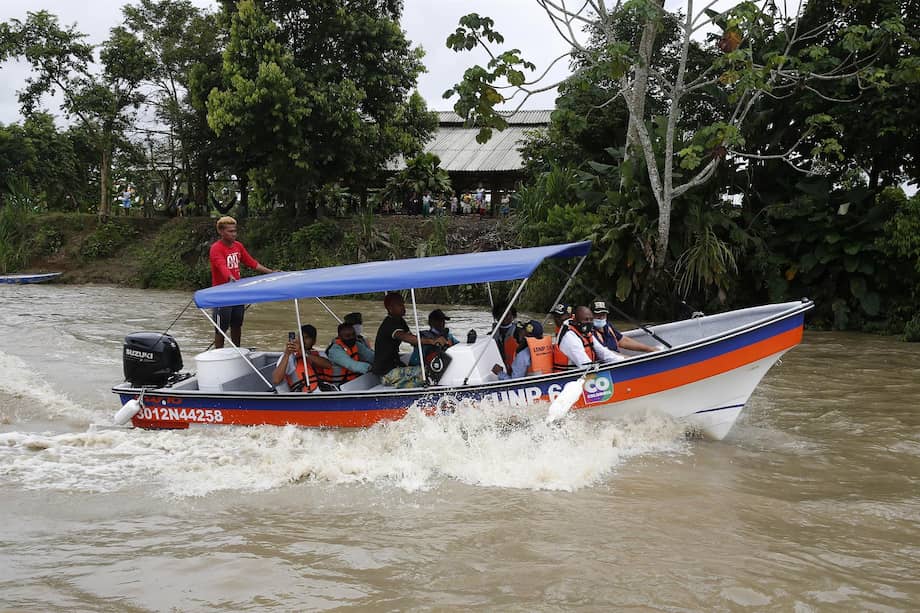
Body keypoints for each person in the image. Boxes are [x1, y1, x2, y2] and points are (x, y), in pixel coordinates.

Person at [209, 216, 274, 348]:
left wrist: (271, 272)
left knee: (237, 325)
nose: (234, 234)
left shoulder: (238, 246)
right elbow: (221, 265)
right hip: (222, 294)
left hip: (237, 293)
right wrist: (229, 277)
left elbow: (251, 262)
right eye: (230, 231)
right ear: (221, 232)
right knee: (221, 329)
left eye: (235, 231)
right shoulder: (216, 248)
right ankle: (218, 354)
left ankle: (236, 351)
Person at [372, 293, 449, 388]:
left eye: (403, 304)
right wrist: (432, 341)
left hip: (395, 366)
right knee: (426, 371)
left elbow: (413, 339)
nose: (403, 307)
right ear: (390, 308)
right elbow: (409, 339)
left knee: (427, 367)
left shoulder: (400, 321)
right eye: (399, 305)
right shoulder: (389, 324)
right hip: (387, 373)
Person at [554, 306, 628, 371]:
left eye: (591, 319)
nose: (589, 322)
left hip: (586, 373)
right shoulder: (569, 337)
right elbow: (585, 365)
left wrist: (623, 360)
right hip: (571, 377)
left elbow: (603, 352)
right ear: (576, 321)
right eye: (586, 319)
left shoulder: (586, 333)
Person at [271, 324, 333, 392]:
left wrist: (303, 353)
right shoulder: (289, 356)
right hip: (304, 395)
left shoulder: (319, 354)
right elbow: (276, 380)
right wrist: (287, 354)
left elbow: (328, 365)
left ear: (314, 341)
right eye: (301, 337)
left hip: (324, 391)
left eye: (307, 338)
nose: (303, 340)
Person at [590, 300, 659, 353]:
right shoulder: (590, 333)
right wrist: (628, 359)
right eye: (597, 314)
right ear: (590, 315)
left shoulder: (607, 326)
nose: (601, 317)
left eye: (603, 314)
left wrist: (651, 349)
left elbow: (622, 341)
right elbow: (606, 355)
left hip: (618, 359)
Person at [491, 301, 519, 373]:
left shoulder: (519, 333)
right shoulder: (491, 335)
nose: (503, 317)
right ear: (496, 316)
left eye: (507, 314)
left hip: (514, 368)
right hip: (497, 367)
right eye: (500, 314)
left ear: (513, 316)